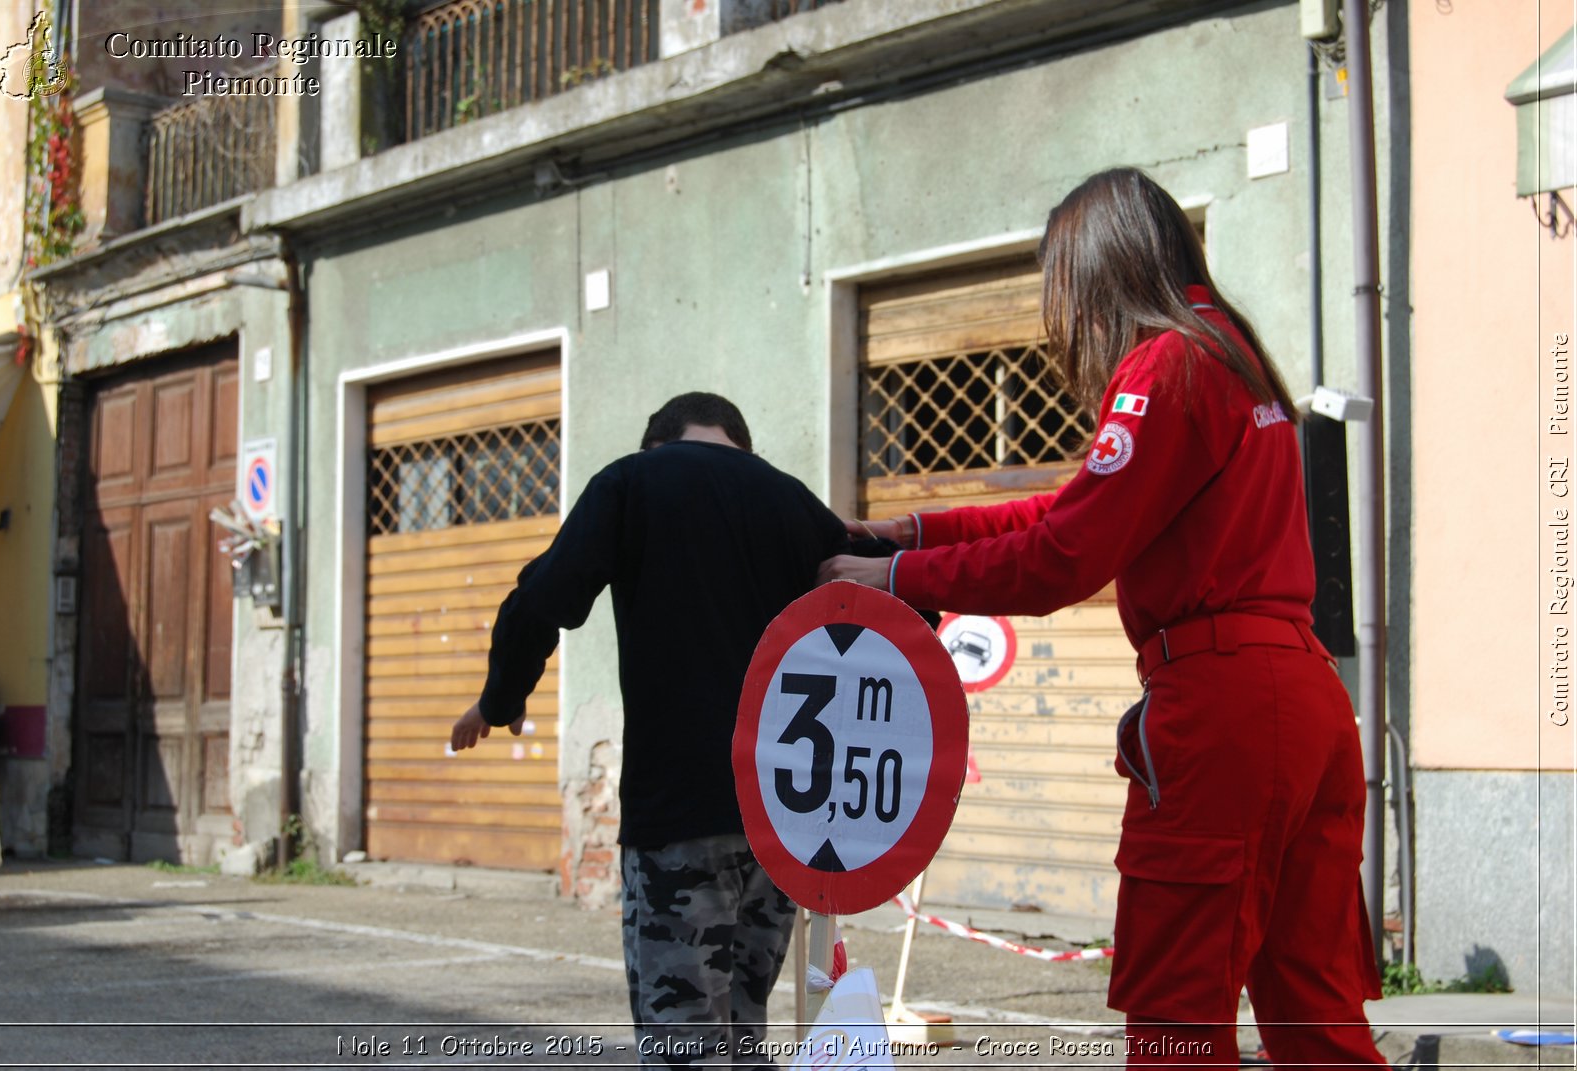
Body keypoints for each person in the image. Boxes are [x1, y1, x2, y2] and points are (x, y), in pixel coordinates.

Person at [819, 168, 1387, 1068]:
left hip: (1224, 710)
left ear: (1098, 269)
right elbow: (1070, 513)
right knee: (1315, 1015)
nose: (1064, 317)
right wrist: (908, 536)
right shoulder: (1232, 351)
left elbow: (1064, 555)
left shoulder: (1165, 364)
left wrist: (894, 576)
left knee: (1177, 1019)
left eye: (1062, 288)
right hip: (1305, 701)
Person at [450, 392, 852, 1069]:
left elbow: (541, 598)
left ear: (655, 442)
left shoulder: (633, 483)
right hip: (786, 822)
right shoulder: (794, 501)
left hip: (679, 815)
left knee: (684, 1047)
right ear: (741, 444)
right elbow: (892, 614)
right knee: (742, 1034)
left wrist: (501, 697)